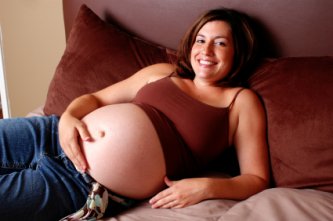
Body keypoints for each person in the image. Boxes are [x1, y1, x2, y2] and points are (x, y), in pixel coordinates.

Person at [0, 8, 269, 221]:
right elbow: (94, 99)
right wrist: (70, 116)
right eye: (201, 40)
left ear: (238, 52)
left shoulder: (240, 102)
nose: (206, 50)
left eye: (220, 43)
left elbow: (256, 178)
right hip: (49, 134)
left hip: (79, 184)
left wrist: (207, 187)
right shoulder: (163, 72)